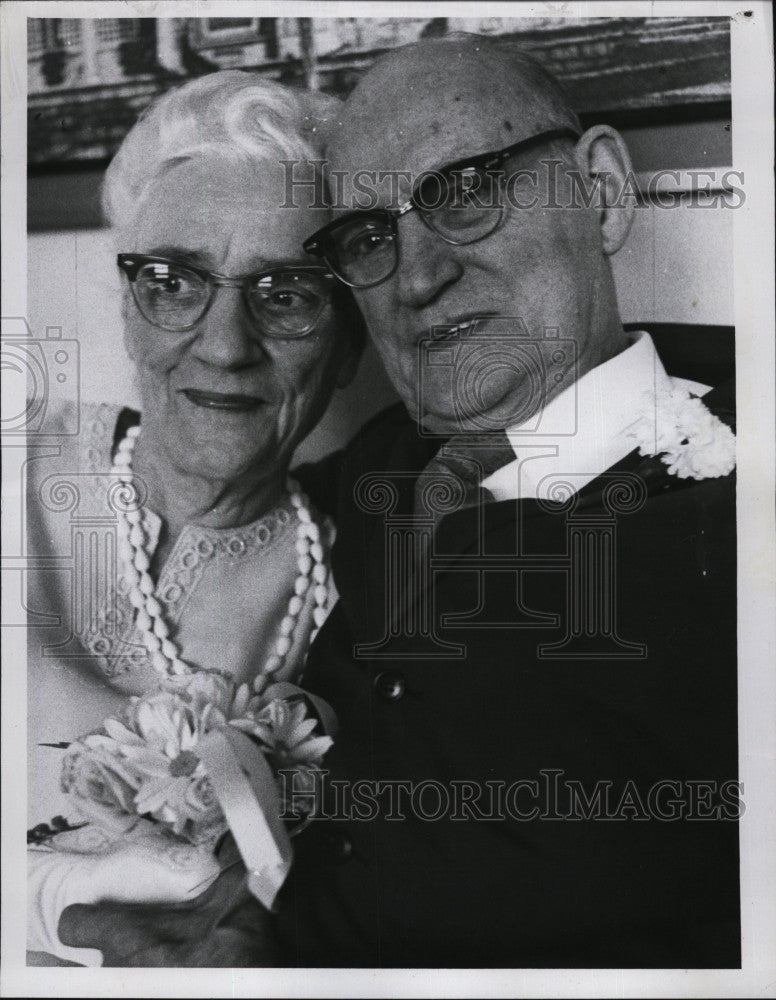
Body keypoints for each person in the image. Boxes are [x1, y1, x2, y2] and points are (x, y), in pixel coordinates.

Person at [59, 36, 739, 968]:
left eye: (465, 192)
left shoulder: (737, 522)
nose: (419, 276)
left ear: (605, 192)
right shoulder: (369, 486)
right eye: (371, 238)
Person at [26, 70, 361, 965]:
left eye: (285, 294)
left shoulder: (358, 584)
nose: (224, 345)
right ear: (131, 310)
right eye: (174, 283)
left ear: (348, 343)